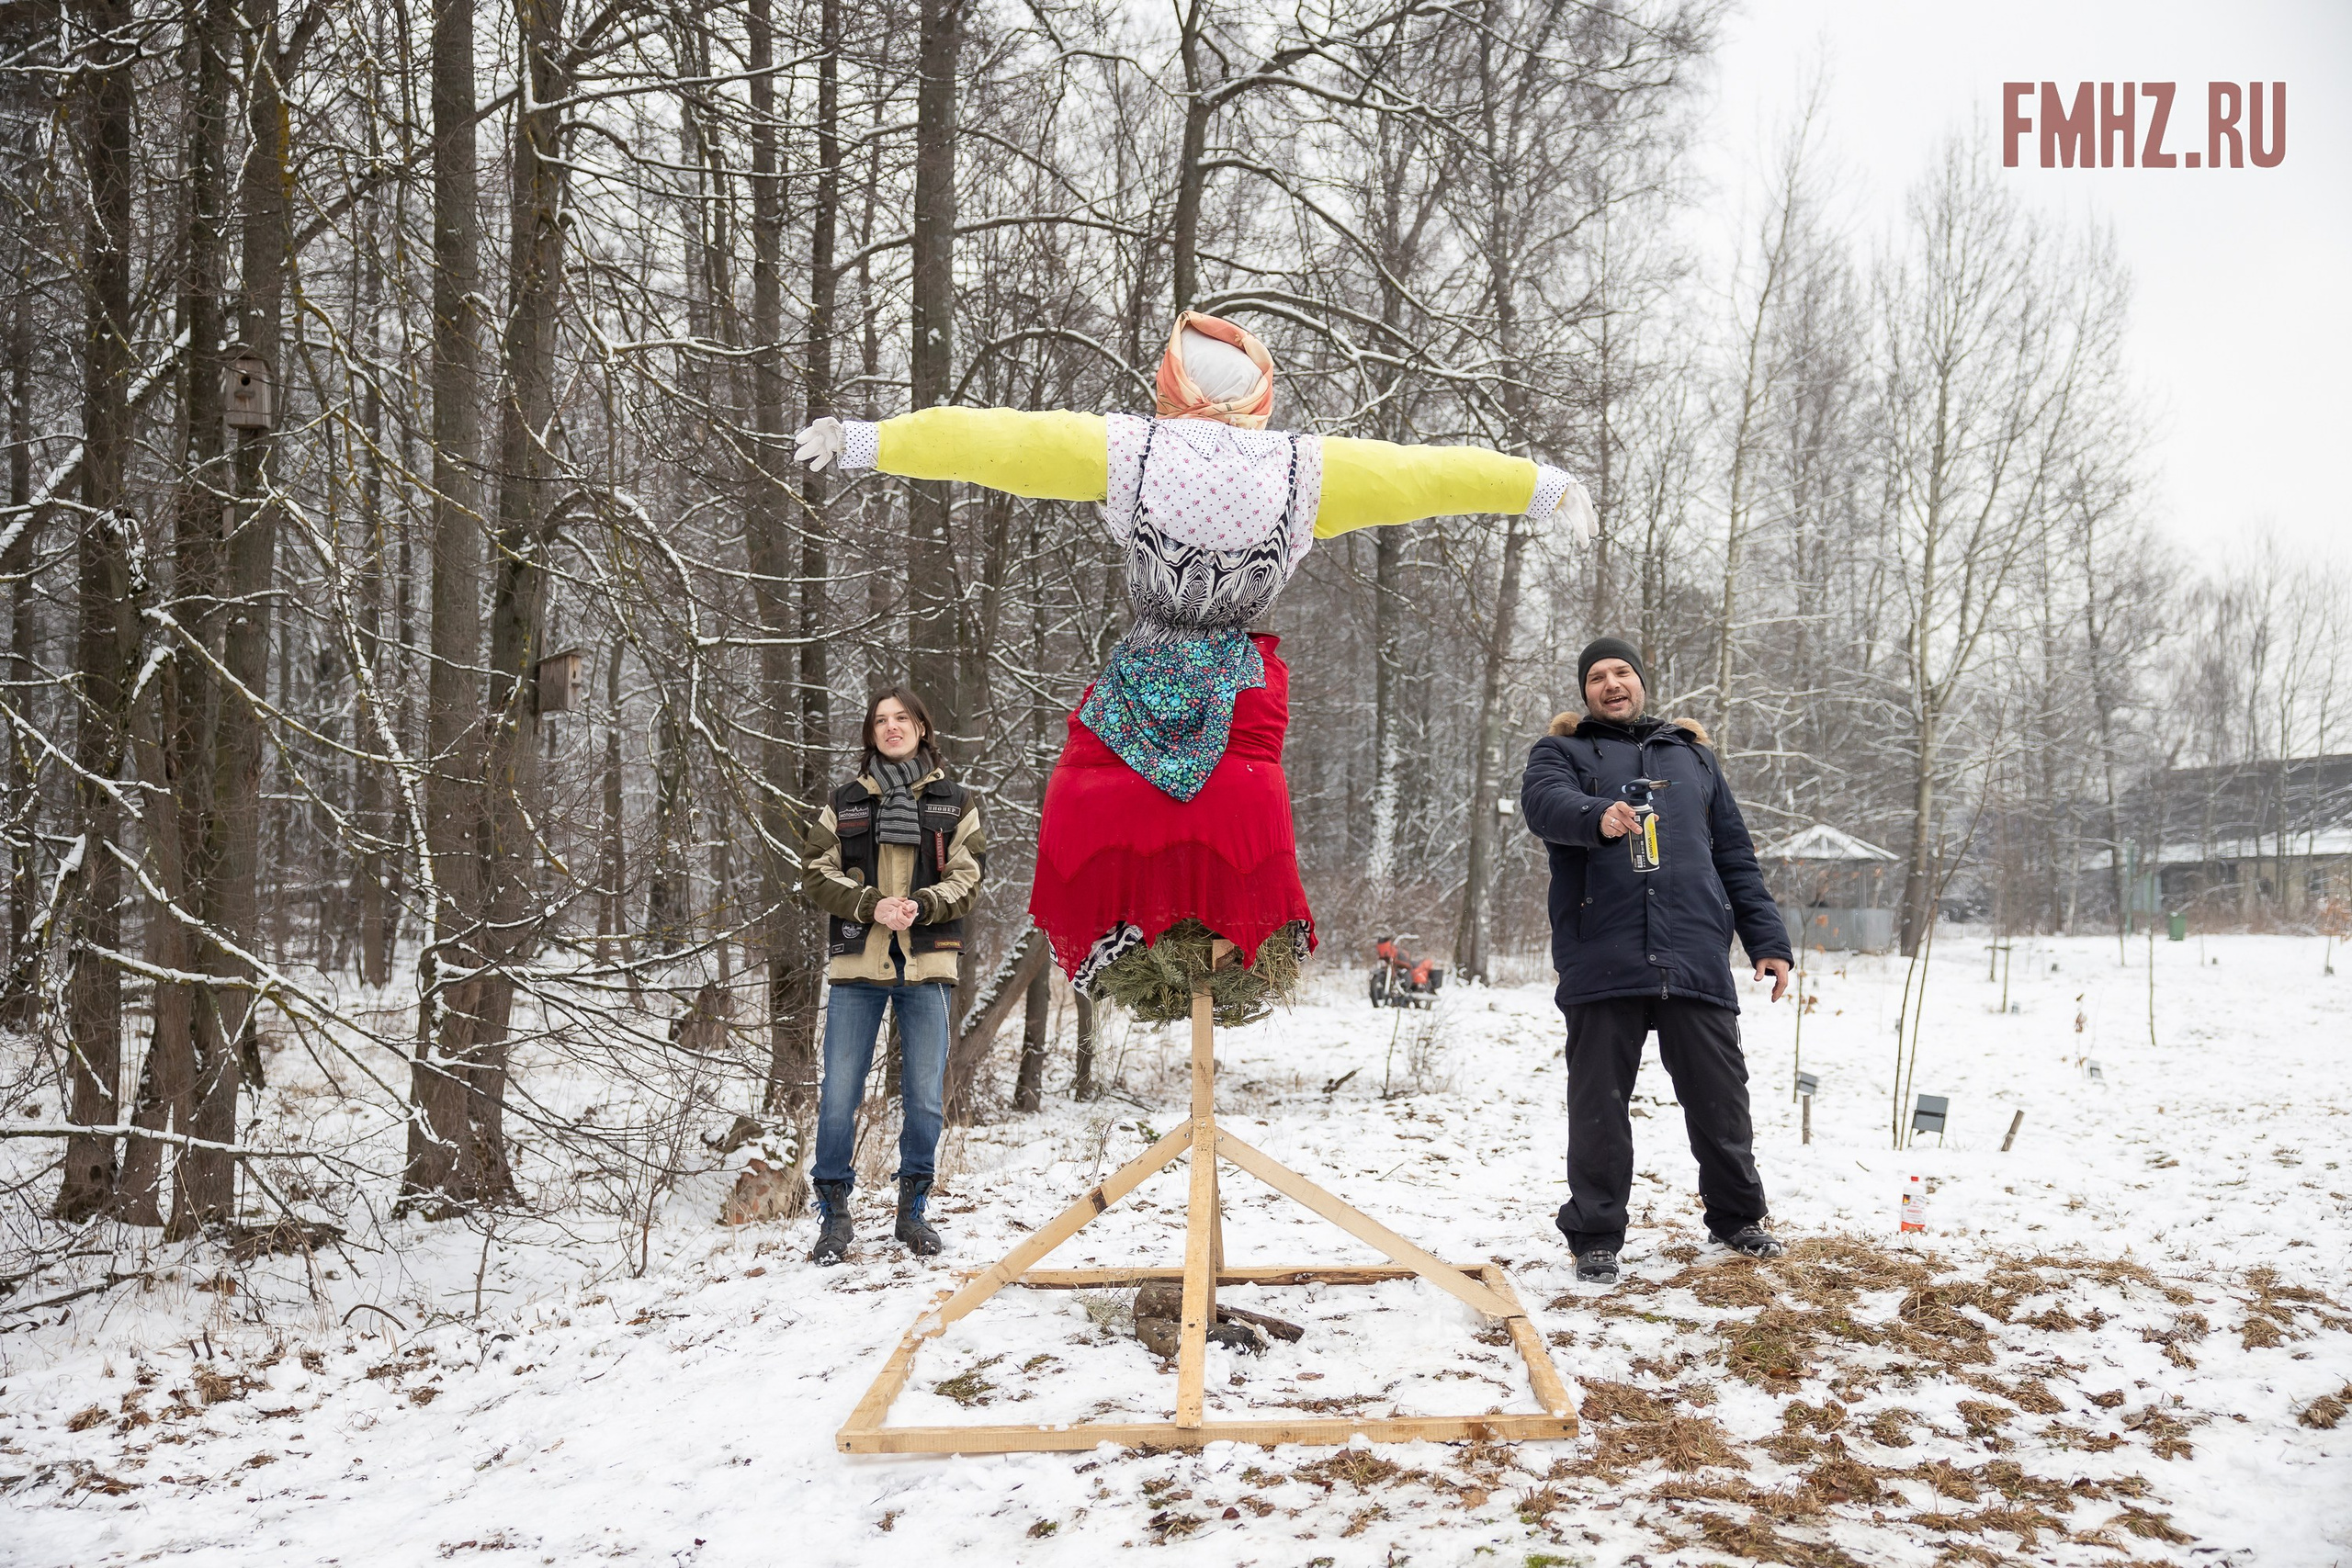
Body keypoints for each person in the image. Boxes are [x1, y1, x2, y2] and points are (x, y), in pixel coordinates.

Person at [797, 313, 1596, 1007]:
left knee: (1086, 793)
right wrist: (1540, 484)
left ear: (1170, 382)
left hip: (1143, 670)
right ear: (1258, 393)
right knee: (1247, 803)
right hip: (1239, 683)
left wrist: (871, 440)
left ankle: (1124, 939)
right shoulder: (1304, 468)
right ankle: (1242, 937)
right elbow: (1429, 475)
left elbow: (996, 441)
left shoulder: (1129, 449)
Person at [1519, 637, 1794, 1284]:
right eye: (1596, 676)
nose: (1611, 684)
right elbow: (1544, 805)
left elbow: (1735, 856)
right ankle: (1594, 1234)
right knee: (1598, 1106)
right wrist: (1597, 814)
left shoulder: (1693, 756)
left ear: (1642, 680)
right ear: (1584, 691)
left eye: (1621, 672)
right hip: (1602, 954)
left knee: (1722, 1101)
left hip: (1695, 953)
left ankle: (1738, 1219)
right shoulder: (1561, 751)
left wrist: (1769, 941)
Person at [801, 688, 986, 1265]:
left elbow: (969, 875)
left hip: (927, 965)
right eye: (880, 721)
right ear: (870, 733)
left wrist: (924, 905)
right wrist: (870, 905)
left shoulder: (957, 803)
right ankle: (834, 1216)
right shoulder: (844, 802)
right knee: (838, 1096)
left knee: (926, 1100)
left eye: (901, 717)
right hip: (859, 966)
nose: (891, 727)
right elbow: (815, 873)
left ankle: (913, 1212)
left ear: (923, 727)